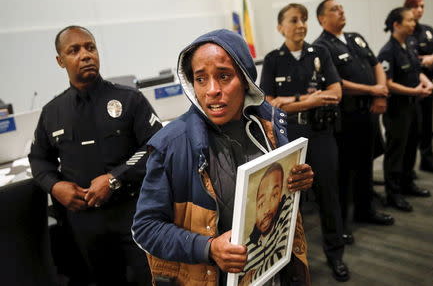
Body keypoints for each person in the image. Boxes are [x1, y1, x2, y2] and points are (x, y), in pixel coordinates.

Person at [132, 29, 314, 286]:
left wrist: (298, 183)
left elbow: (280, 202)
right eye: (201, 79)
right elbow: (145, 228)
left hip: (272, 270)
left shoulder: (269, 125)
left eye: (224, 76)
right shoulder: (171, 146)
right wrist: (208, 248)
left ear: (245, 78)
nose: (212, 90)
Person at [28, 25, 162, 285]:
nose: (86, 55)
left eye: (90, 47)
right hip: (84, 221)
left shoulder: (129, 99)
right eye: (74, 50)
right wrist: (55, 187)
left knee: (149, 280)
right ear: (60, 61)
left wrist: (114, 178)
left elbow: (155, 146)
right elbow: (39, 159)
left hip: (133, 212)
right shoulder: (52, 111)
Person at [259, 3, 349, 282]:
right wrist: (308, 100)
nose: (301, 25)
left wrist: (293, 102)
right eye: (294, 20)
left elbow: (336, 93)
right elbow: (269, 103)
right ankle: (293, 261)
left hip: (320, 134)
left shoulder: (320, 52)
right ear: (280, 27)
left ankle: (336, 255)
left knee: (328, 195)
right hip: (289, 139)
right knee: (288, 201)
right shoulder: (273, 59)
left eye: (304, 20)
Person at [314, 0, 395, 242]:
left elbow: (376, 64)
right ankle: (342, 224)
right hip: (346, 117)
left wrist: (380, 90)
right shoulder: (321, 47)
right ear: (322, 19)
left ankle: (365, 209)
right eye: (334, 9)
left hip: (367, 112)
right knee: (345, 171)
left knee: (366, 163)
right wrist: (372, 91)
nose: (340, 11)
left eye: (341, 8)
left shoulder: (355, 37)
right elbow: (336, 83)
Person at [378, 7, 433, 212]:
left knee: (411, 146)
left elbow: (417, 71)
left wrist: (426, 83)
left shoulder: (409, 45)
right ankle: (393, 194)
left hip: (413, 105)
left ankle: (407, 183)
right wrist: (413, 91)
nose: (414, 23)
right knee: (396, 151)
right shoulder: (387, 51)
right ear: (397, 25)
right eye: (409, 20)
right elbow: (388, 83)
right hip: (397, 110)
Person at [404, 0, 433, 175]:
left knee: (427, 125)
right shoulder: (406, 32)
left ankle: (428, 160)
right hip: (414, 87)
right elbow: (409, 60)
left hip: (430, 84)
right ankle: (408, 168)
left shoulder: (427, 30)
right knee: (413, 129)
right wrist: (422, 61)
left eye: (422, 6)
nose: (420, 10)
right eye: (416, 6)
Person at [240, 163, 293, 285]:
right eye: (261, 203)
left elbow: (280, 254)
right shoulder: (246, 245)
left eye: (274, 195)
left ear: (280, 197)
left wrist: (253, 275)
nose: (267, 209)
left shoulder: (284, 211)